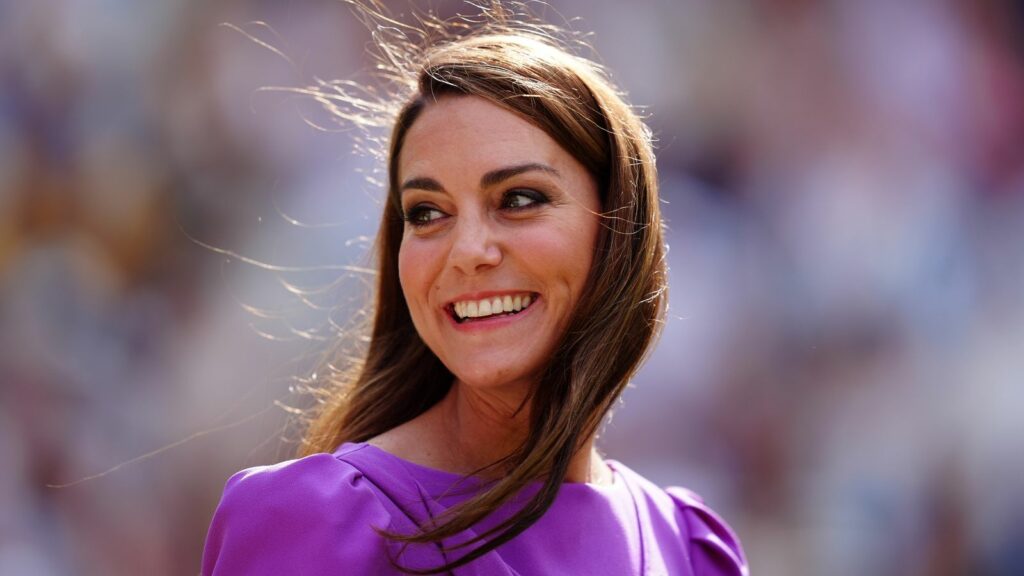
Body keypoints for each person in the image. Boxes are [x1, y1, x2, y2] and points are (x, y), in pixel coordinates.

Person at [201, 3, 748, 575]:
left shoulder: (689, 549)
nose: (466, 252)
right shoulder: (315, 520)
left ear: (618, 226)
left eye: (518, 199)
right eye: (428, 212)